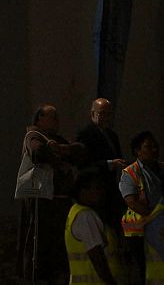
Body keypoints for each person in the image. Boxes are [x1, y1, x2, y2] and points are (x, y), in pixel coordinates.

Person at [15, 104, 84, 283]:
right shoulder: (33, 136)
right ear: (40, 119)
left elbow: (80, 152)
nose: (57, 121)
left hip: (59, 200)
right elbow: (37, 152)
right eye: (52, 117)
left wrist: (60, 148)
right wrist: (58, 152)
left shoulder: (57, 140)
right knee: (40, 241)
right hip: (42, 200)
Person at [119, 130, 163, 284]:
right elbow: (131, 202)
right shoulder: (130, 172)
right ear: (138, 151)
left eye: (155, 146)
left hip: (159, 228)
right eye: (149, 147)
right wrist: (154, 218)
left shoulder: (161, 168)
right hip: (139, 231)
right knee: (143, 268)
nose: (154, 150)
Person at [76, 98, 128, 226]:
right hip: (94, 188)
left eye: (109, 114)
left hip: (110, 188)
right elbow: (84, 163)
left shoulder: (112, 135)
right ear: (93, 113)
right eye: (102, 113)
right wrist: (109, 164)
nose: (106, 118)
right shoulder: (85, 134)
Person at [65, 172, 123, 285]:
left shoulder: (76, 211)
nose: (101, 192)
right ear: (83, 190)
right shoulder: (86, 216)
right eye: (96, 188)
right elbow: (97, 256)